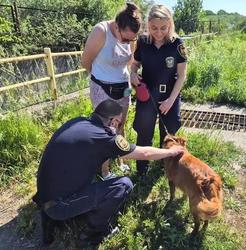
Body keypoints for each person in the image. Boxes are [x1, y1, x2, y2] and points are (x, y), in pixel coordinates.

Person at [32, 99, 184, 246]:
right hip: (58, 206)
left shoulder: (77, 121)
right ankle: (93, 234)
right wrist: (170, 152)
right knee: (123, 184)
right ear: (113, 121)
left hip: (44, 195)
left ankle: (50, 223)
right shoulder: (104, 137)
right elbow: (144, 154)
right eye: (118, 122)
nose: (117, 127)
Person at [81, 2, 142, 178]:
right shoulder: (101, 31)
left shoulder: (131, 36)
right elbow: (85, 62)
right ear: (117, 26)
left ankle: (120, 160)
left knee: (120, 126)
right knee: (105, 129)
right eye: (125, 39)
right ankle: (104, 171)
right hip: (102, 87)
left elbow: (131, 62)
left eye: (132, 39)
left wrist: (132, 75)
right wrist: (103, 79)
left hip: (123, 88)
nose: (128, 42)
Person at [130, 4, 188, 177]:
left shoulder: (177, 44)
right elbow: (134, 64)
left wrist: (171, 100)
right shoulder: (143, 41)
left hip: (170, 95)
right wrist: (132, 74)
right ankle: (142, 170)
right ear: (148, 24)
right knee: (144, 131)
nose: (159, 32)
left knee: (169, 133)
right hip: (148, 95)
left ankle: (166, 168)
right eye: (154, 27)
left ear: (170, 24)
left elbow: (182, 75)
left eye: (163, 28)